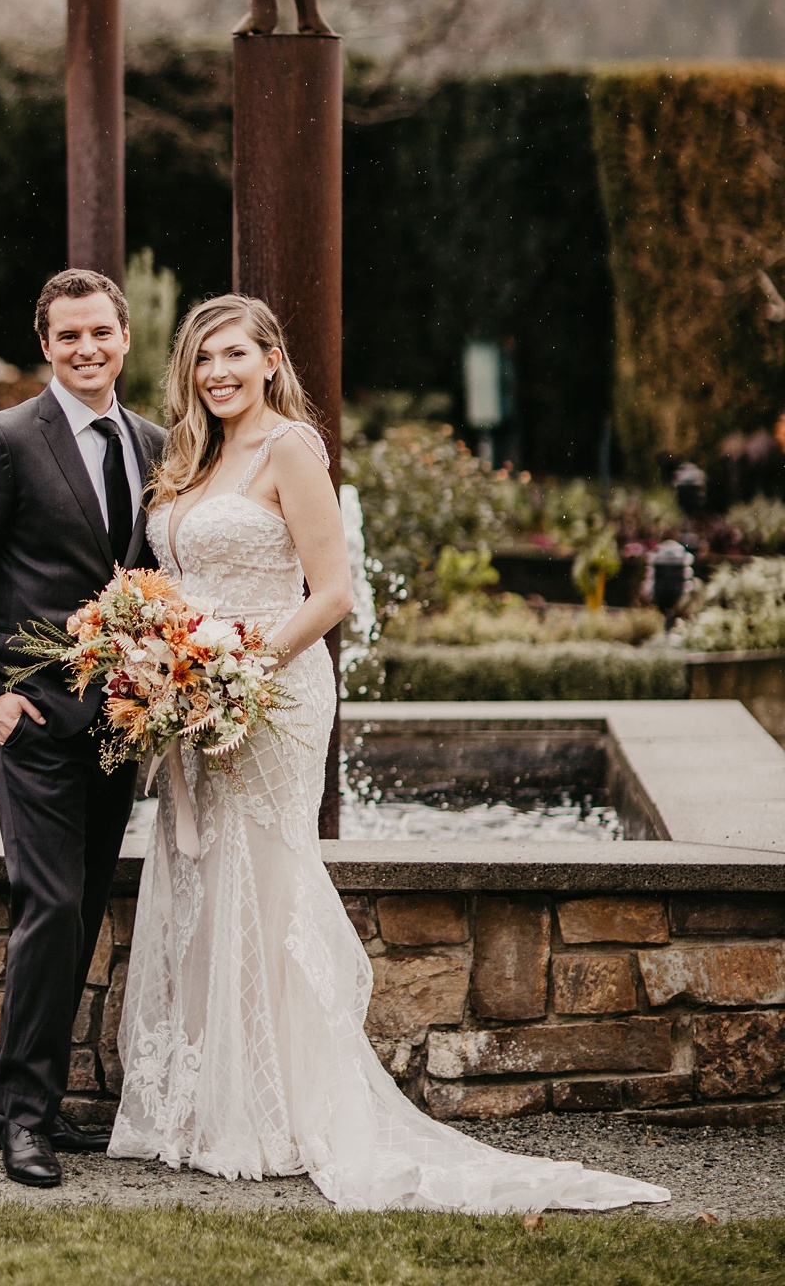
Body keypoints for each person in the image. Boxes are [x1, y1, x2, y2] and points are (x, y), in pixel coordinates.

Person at [109, 293, 670, 1214]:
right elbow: (175, 579)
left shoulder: (289, 448)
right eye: (204, 358)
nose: (219, 373)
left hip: (270, 690)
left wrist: (238, 671)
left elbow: (332, 593)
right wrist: (162, 662)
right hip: (196, 696)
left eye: (236, 356)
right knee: (200, 878)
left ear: (270, 359)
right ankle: (205, 1108)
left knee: (265, 876)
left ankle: (278, 1108)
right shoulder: (188, 454)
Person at [0, 269, 165, 1188]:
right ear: (47, 345)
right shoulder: (2, 440)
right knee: (50, 908)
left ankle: (10, 1106)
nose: (87, 349)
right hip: (29, 718)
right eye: (69, 337)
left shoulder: (152, 443)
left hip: (121, 721)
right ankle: (27, 1115)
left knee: (78, 915)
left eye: (100, 333)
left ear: (124, 337)